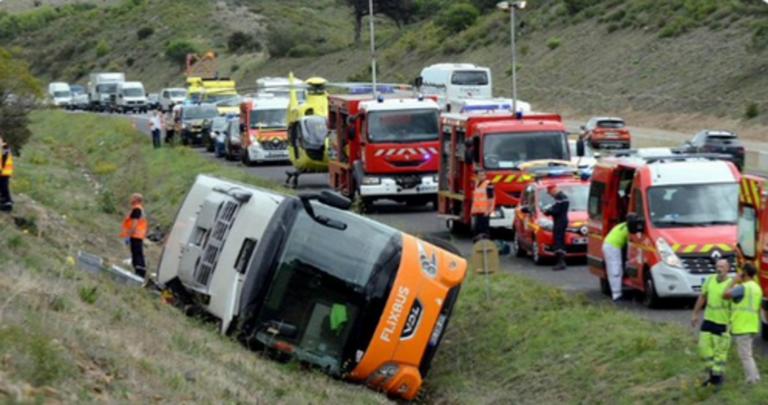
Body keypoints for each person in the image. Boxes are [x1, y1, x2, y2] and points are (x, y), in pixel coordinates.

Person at [691, 259, 733, 387]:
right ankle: (713, 375)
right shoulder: (710, 280)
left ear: (727, 268)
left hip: (723, 323)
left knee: (719, 354)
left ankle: (717, 378)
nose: (719, 269)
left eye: (722, 266)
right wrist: (695, 313)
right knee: (703, 349)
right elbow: (702, 296)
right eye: (717, 266)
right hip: (708, 320)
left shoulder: (732, 284)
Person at [723, 263, 766, 385]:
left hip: (742, 326)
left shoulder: (743, 288)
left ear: (744, 273)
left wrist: (733, 281)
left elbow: (725, 295)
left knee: (745, 356)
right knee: (747, 354)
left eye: (741, 272)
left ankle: (753, 380)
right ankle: (754, 377)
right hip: (751, 325)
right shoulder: (757, 288)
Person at [120, 193, 148, 278]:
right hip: (137, 235)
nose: (130, 199)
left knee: (137, 254)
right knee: (136, 253)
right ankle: (138, 272)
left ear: (136, 199)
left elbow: (134, 223)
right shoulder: (139, 209)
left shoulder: (137, 209)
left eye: (132, 198)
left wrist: (129, 234)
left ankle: (140, 273)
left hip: (135, 235)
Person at [543, 184, 569, 271]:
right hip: (562, 221)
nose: (550, 195)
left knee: (558, 241)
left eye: (550, 192)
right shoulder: (563, 197)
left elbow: (557, 210)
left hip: (559, 221)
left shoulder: (560, 197)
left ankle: (560, 262)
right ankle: (561, 261)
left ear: (553, 190)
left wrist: (548, 211)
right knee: (560, 240)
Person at [602, 221, 629, 300]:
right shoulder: (629, 228)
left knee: (616, 269)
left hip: (610, 244)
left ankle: (617, 293)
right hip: (612, 247)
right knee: (615, 270)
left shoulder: (623, 225)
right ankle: (616, 295)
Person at [470, 170, 495, 239]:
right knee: (477, 229)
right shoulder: (477, 184)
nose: (481, 176)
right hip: (478, 211)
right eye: (480, 175)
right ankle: (478, 243)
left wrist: (488, 210)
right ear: (477, 176)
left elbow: (490, 199)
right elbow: (476, 199)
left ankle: (485, 243)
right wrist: (472, 211)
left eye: (483, 175)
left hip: (485, 211)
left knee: (484, 230)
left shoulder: (488, 184)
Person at [0, 138, 14, 212]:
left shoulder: (2, 144)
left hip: (3, 169)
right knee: (3, 186)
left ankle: (7, 204)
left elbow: (4, 156)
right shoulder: (3, 143)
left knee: (3, 186)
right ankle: (6, 201)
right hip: (5, 169)